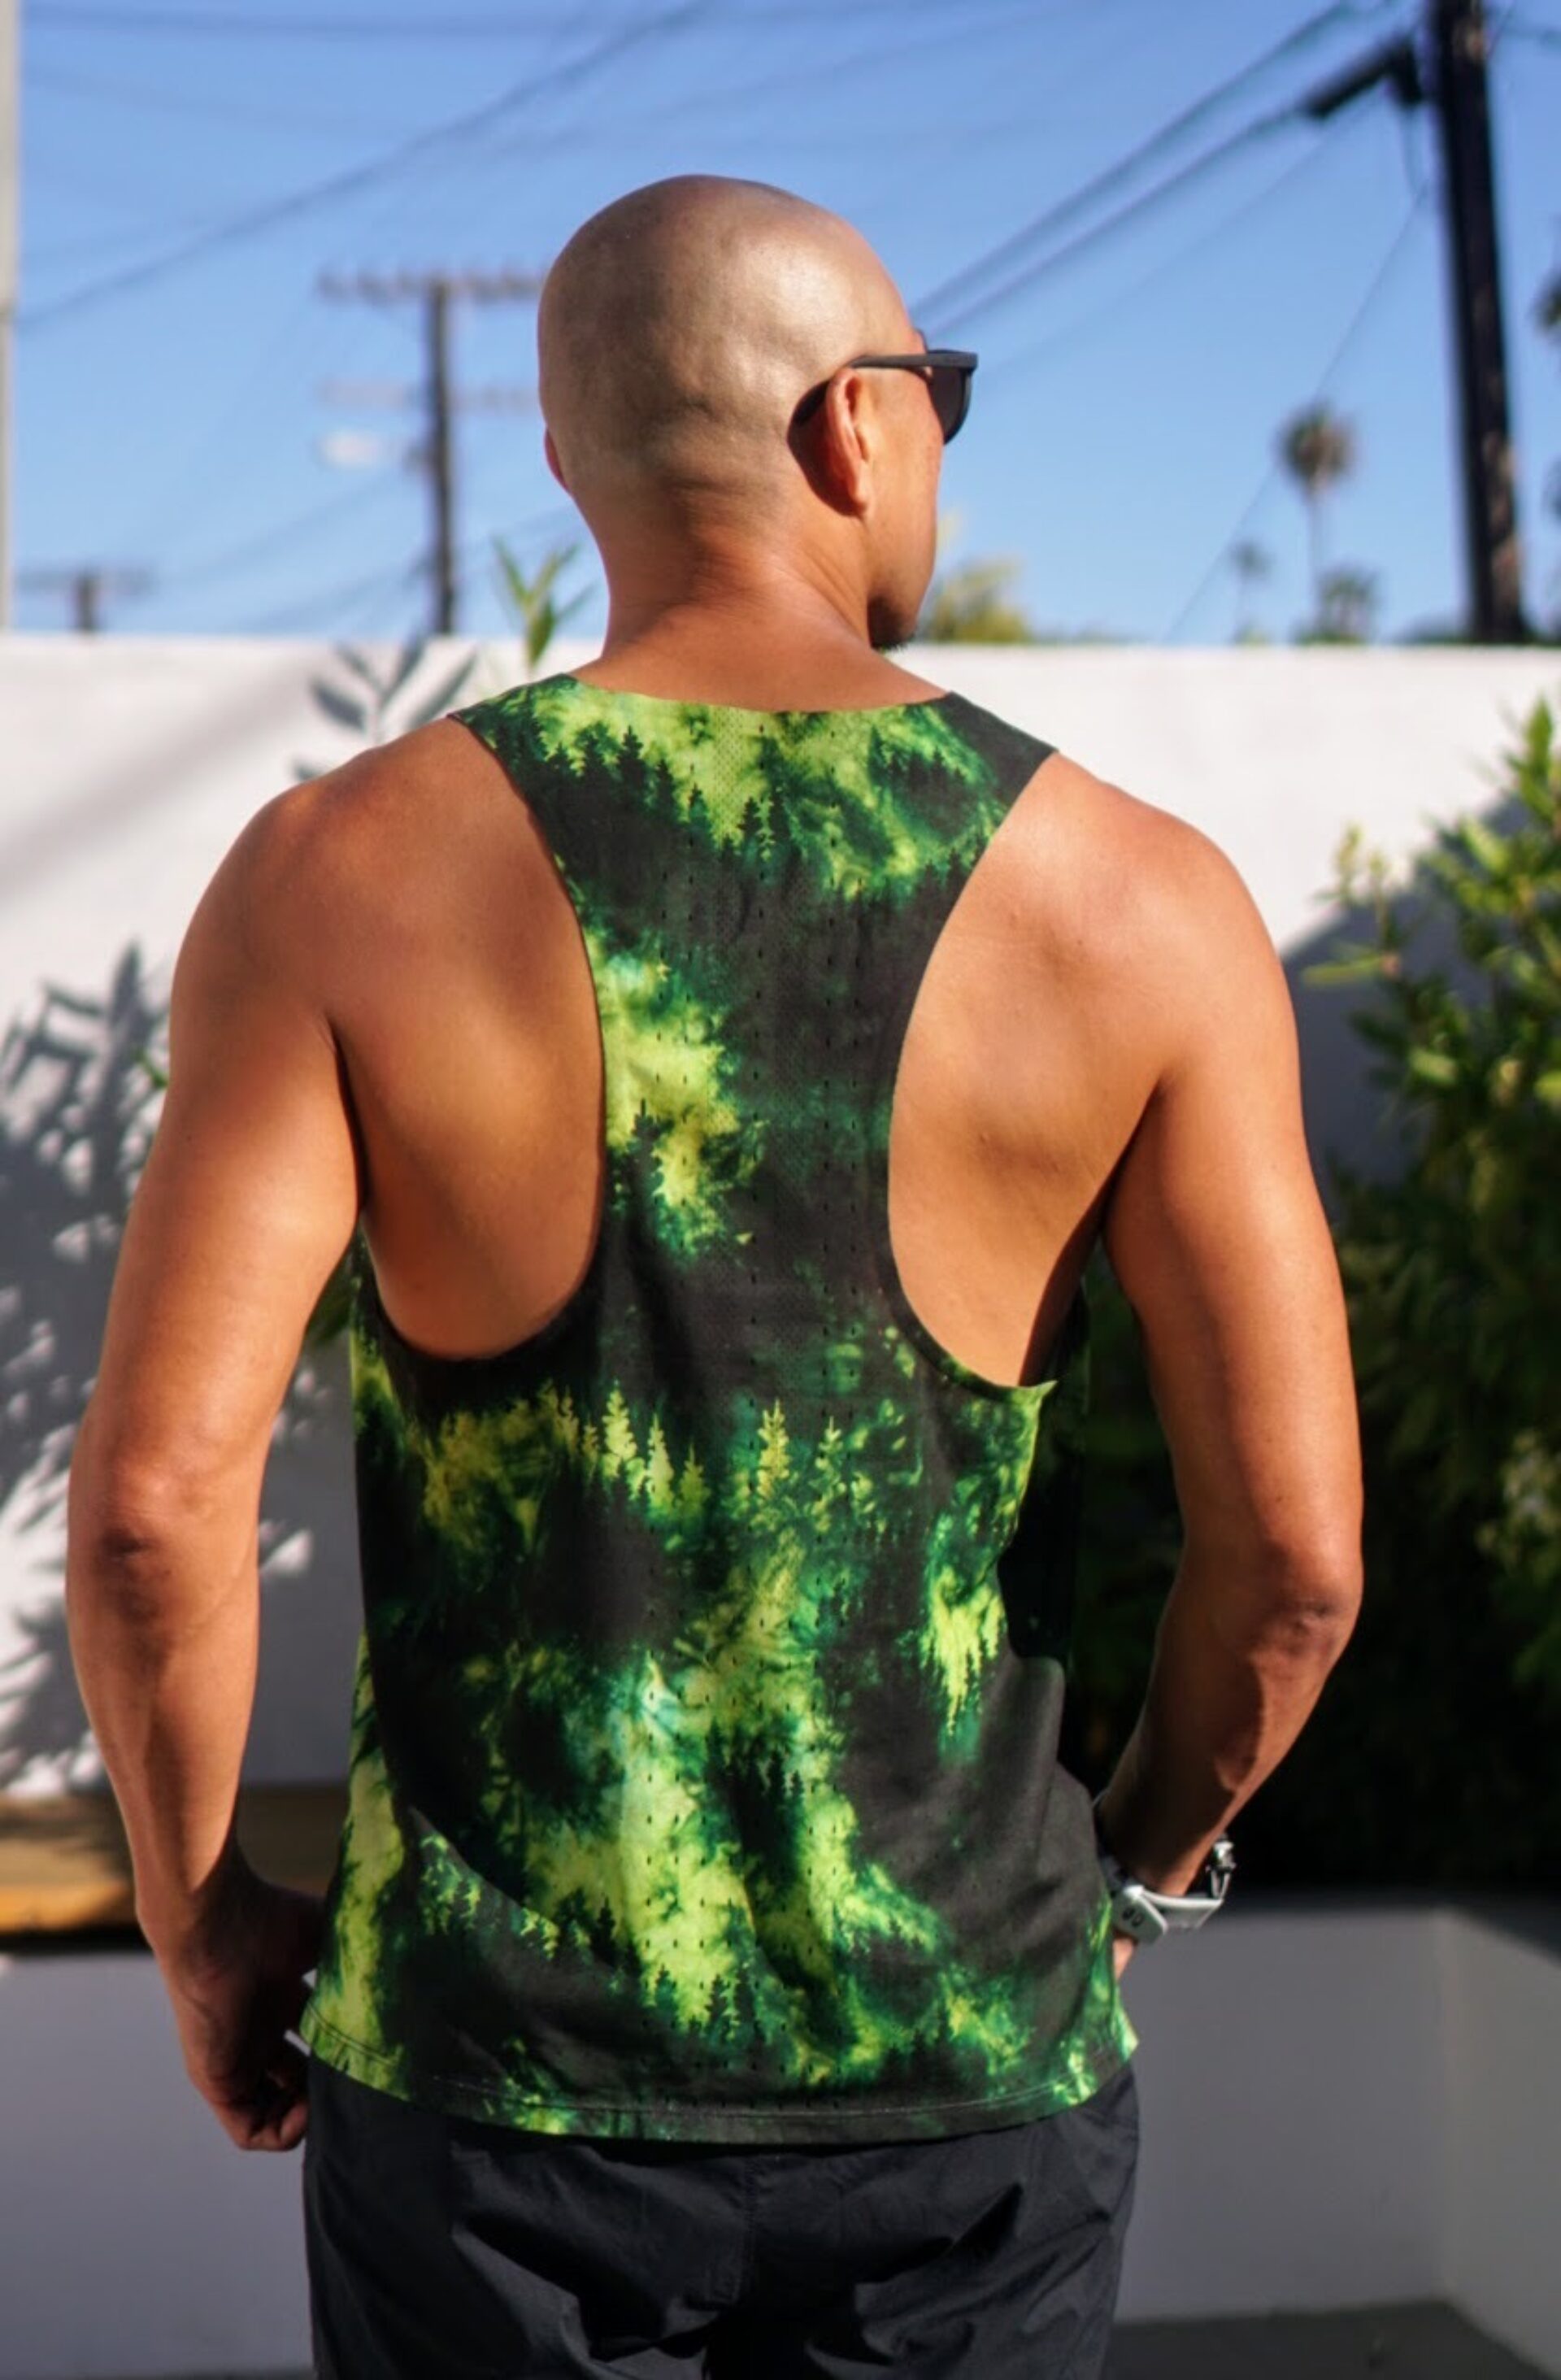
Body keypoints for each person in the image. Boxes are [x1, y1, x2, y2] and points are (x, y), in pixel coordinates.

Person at [65, 173, 1363, 2378]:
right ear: (855, 425)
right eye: (943, 396)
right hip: (966, 2093)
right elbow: (1299, 1569)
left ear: (569, 462)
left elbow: (149, 1516)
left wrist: (205, 1933)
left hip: (489, 2105)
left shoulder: (336, 876)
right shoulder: (1147, 910)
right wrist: (1121, 1888)